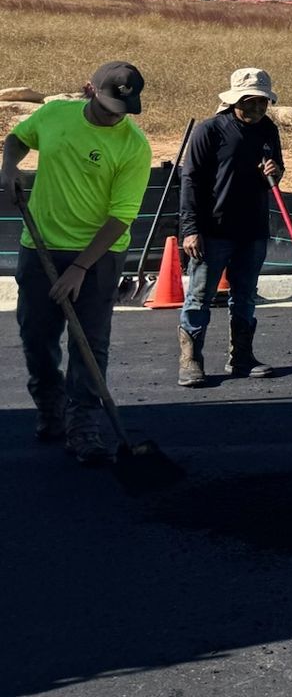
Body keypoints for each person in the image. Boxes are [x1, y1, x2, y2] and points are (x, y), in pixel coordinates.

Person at [1, 62, 153, 461]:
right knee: (36, 337)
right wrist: (9, 167)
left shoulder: (133, 147)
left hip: (99, 257)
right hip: (40, 247)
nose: (113, 116)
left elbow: (121, 216)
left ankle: (83, 424)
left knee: (90, 343)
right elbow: (18, 138)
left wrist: (80, 268)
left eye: (122, 109)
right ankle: (50, 407)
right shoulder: (55, 115)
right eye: (106, 106)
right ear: (89, 89)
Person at [176, 66, 285, 387]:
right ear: (234, 100)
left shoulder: (268, 130)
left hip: (253, 229)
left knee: (245, 295)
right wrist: (190, 229)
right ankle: (191, 359)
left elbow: (275, 176)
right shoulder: (210, 130)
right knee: (200, 296)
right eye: (249, 102)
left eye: (261, 103)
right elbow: (190, 180)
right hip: (213, 229)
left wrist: (275, 171)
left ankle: (242, 357)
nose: (256, 109)